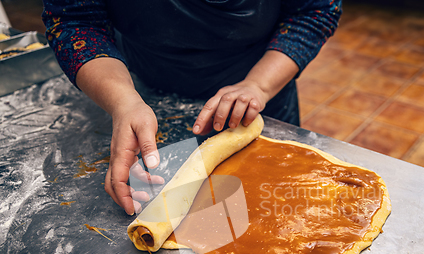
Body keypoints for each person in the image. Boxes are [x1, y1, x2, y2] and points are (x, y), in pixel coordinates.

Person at [42, 0, 342, 215]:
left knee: (272, 207)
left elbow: (314, 11)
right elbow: (75, 20)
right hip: (140, 84)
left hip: (258, 95)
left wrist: (259, 85)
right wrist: (123, 101)